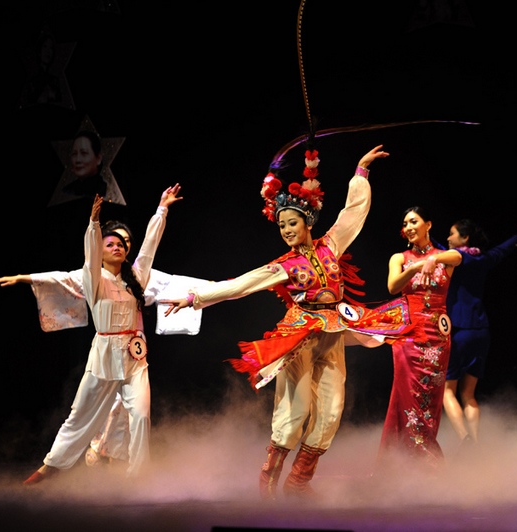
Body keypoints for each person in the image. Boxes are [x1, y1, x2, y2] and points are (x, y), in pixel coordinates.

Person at [163, 146, 392, 500]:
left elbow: (353, 212)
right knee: (295, 411)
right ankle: (268, 482)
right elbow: (239, 285)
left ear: (308, 222)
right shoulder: (284, 266)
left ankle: (298, 482)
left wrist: (361, 171)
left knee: (331, 413)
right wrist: (194, 298)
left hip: (333, 332)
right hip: (299, 338)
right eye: (282, 225)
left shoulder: (332, 245)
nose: (286, 230)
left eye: (292, 223)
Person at [0, 184, 183, 484]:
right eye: (110, 244)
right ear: (101, 251)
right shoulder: (94, 279)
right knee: (79, 415)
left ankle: (138, 477)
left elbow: (149, 247)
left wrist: (162, 209)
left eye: (121, 244)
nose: (117, 247)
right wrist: (94, 224)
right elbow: (70, 270)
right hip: (103, 358)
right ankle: (51, 465)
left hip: (135, 359)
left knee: (141, 415)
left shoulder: (135, 278)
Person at [441, 219, 517, 450]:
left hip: (459, 331)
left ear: (465, 238)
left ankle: (464, 440)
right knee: (469, 395)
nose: (448, 238)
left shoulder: (458, 257)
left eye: (451, 234)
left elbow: (437, 251)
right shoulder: (483, 259)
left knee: (447, 391)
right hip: (481, 332)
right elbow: (502, 250)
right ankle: (476, 443)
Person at [377, 206, 462, 475]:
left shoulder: (444, 258)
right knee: (408, 396)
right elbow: (393, 287)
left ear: (428, 225)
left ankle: (412, 461)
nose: (409, 227)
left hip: (437, 338)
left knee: (431, 398)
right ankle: (424, 463)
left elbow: (458, 256)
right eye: (405, 223)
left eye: (414, 221)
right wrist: (414, 266)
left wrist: (432, 260)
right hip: (408, 335)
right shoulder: (399, 258)